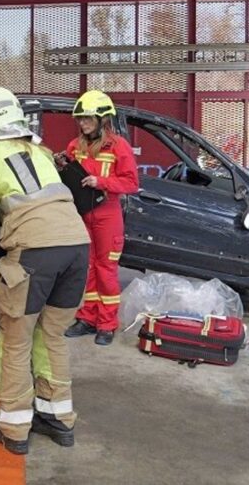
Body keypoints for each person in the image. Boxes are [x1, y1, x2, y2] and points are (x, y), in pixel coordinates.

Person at [0, 87, 90, 455]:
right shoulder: (42, 152)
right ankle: (57, 418)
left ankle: (13, 428)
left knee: (15, 338)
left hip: (36, 252)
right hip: (77, 248)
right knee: (53, 335)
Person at [61, 90, 139, 346]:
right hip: (82, 214)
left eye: (87, 119)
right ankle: (87, 319)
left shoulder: (119, 147)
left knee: (106, 271)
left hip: (108, 215)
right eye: (80, 119)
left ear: (103, 119)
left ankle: (107, 324)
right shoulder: (74, 146)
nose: (82, 124)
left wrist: (101, 181)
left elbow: (131, 183)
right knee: (88, 269)